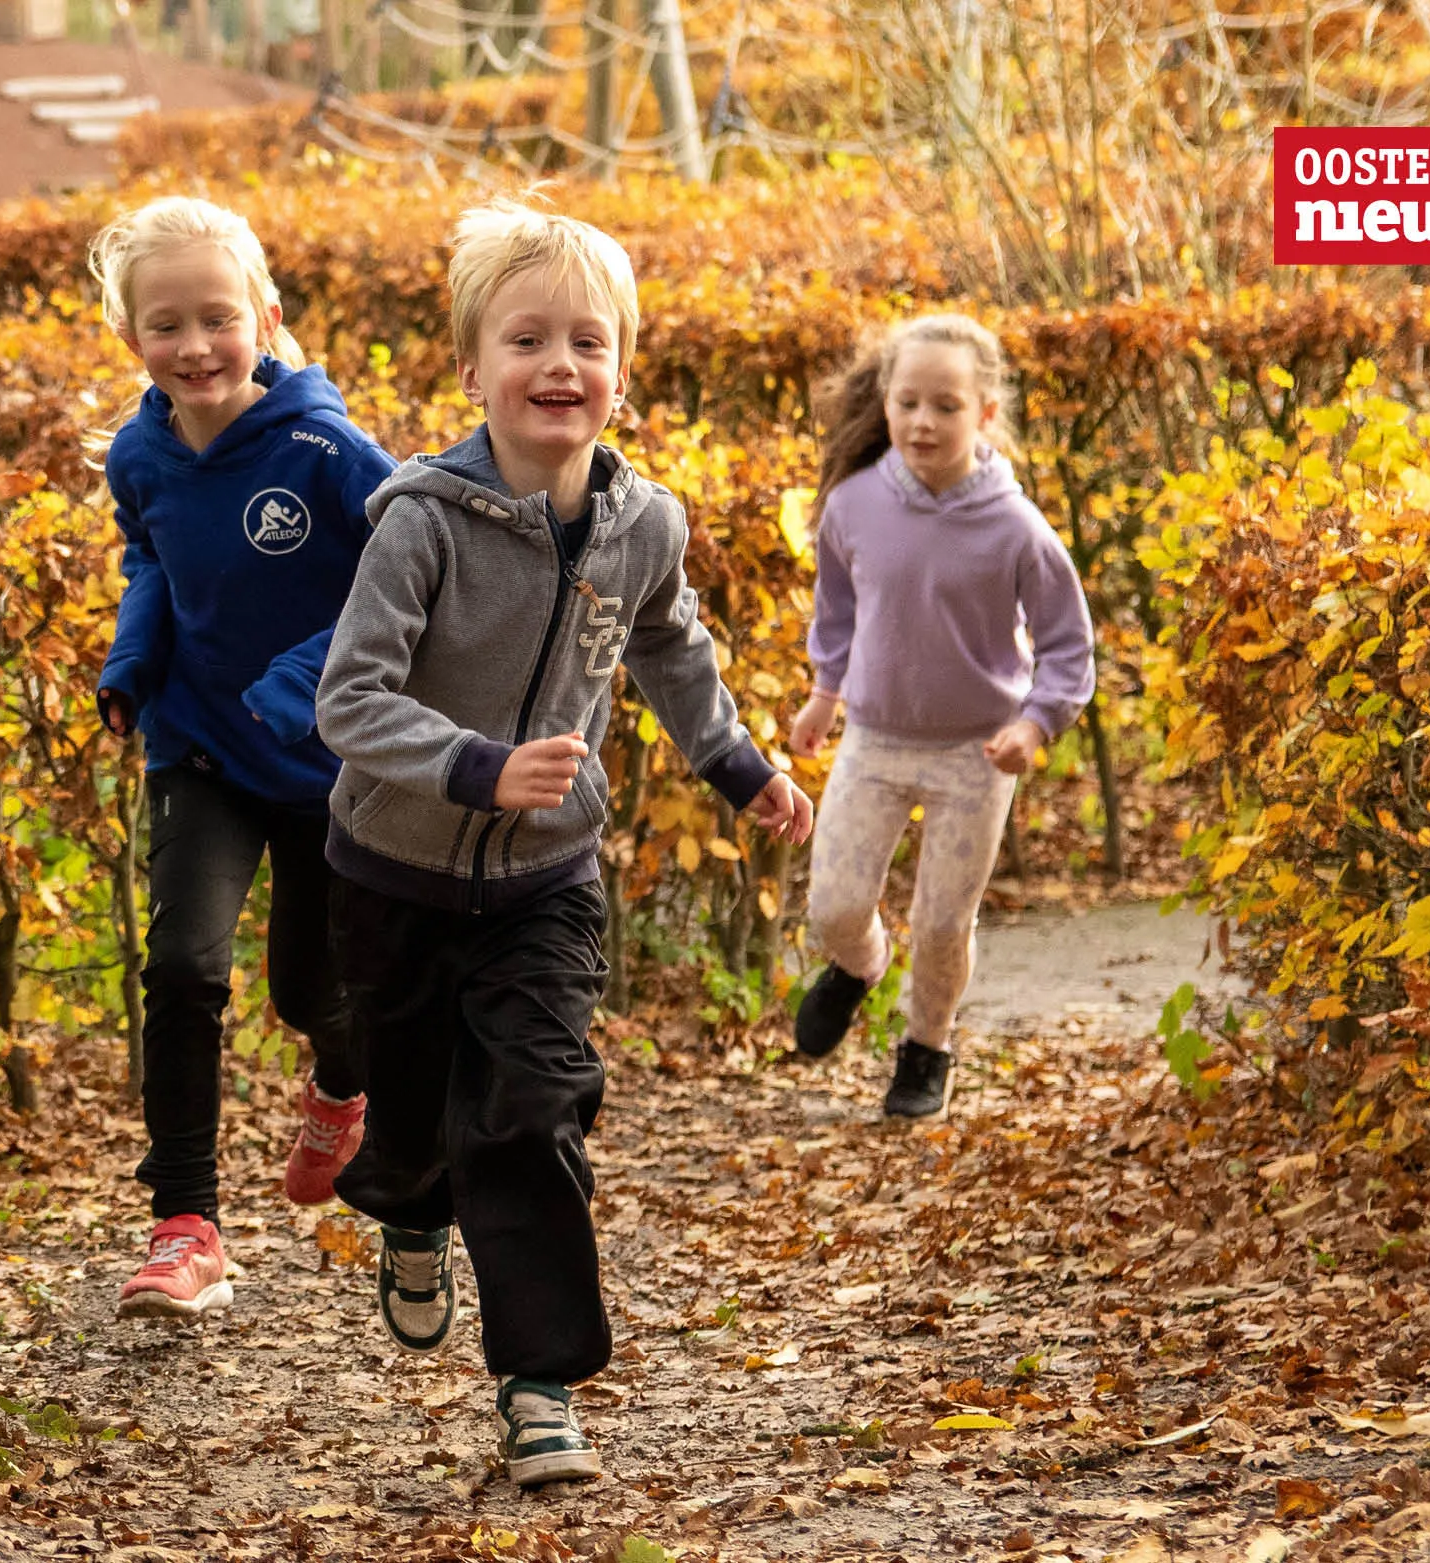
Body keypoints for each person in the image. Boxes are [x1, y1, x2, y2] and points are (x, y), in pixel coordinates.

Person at [314, 199, 815, 1486]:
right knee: (419, 1120)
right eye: (526, 339)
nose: (559, 366)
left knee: (533, 1110)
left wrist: (739, 768)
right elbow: (349, 700)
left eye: (587, 342)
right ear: (471, 368)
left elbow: (670, 651)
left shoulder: (647, 525)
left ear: (622, 370)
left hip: (547, 883)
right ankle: (411, 1211)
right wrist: (479, 767)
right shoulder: (417, 520)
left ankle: (540, 1385)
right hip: (395, 874)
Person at [90, 196, 396, 1319]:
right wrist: (131, 665)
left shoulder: (327, 448)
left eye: (218, 317)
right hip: (201, 750)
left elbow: (402, 577)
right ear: (133, 340)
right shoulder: (140, 454)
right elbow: (154, 566)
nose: (196, 345)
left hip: (325, 764)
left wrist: (297, 683)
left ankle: (343, 1088)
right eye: (165, 325)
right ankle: (187, 1225)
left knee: (311, 989)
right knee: (183, 970)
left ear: (265, 316)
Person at [787, 313, 1097, 1119]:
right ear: (885, 404)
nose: (924, 421)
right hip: (875, 739)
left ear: (985, 414)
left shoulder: (1017, 528)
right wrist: (825, 691)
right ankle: (859, 969)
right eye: (909, 402)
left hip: (975, 753)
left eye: (947, 406)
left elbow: (1067, 644)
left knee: (941, 922)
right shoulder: (854, 504)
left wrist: (1035, 723)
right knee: (836, 907)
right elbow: (839, 610)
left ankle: (928, 1045)